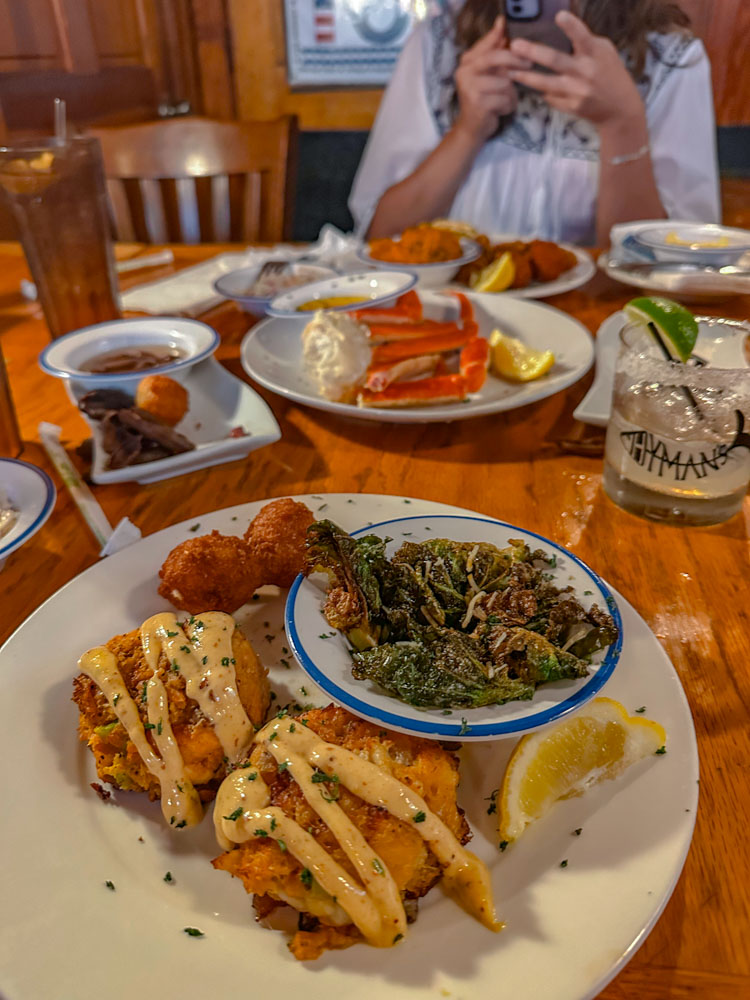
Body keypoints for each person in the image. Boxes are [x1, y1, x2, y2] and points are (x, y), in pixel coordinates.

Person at [349, 1, 720, 245]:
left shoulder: (671, 60)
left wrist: (622, 125)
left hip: (597, 329)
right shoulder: (437, 44)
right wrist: (468, 130)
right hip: (457, 322)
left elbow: (673, 269)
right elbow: (379, 238)